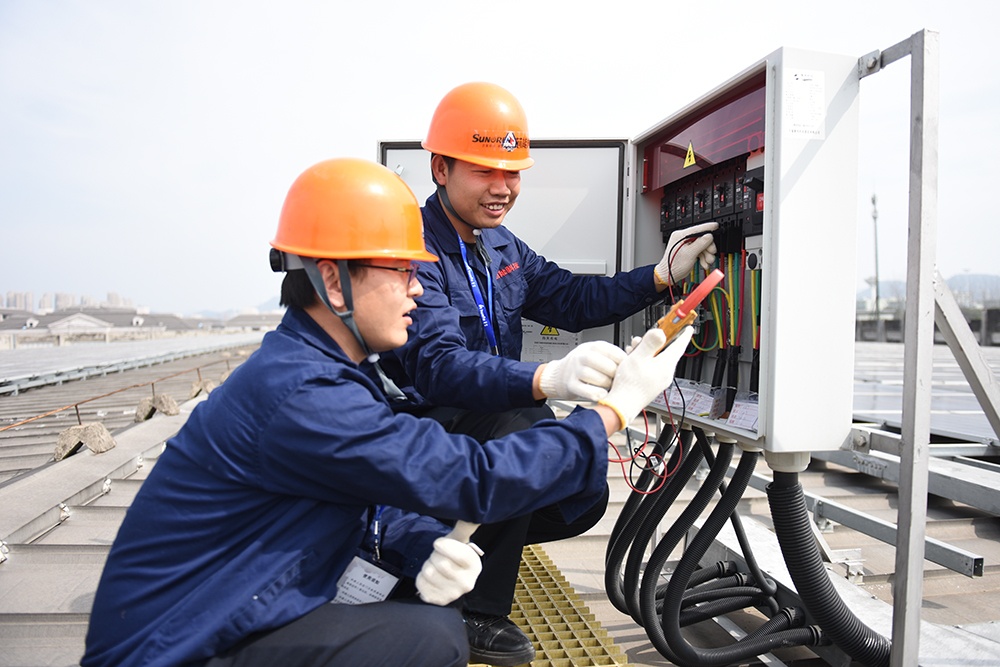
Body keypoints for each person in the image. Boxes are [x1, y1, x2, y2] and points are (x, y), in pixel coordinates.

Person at [80, 157, 693, 667]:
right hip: (176, 648)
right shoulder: (305, 393)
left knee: (435, 607)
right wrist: (612, 411)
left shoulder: (323, 367)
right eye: (401, 271)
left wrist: (421, 546)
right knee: (430, 640)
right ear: (334, 283)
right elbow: (472, 477)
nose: (417, 289)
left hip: (227, 609)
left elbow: (361, 502)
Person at [379, 81, 718, 666]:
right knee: (525, 426)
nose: (502, 187)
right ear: (440, 168)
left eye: (512, 173)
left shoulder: (499, 245)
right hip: (420, 433)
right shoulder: (414, 249)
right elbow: (437, 366)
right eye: (485, 170)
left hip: (487, 424)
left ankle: (446, 554)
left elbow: (572, 298)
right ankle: (473, 610)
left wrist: (660, 276)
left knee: (580, 492)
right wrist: (547, 380)